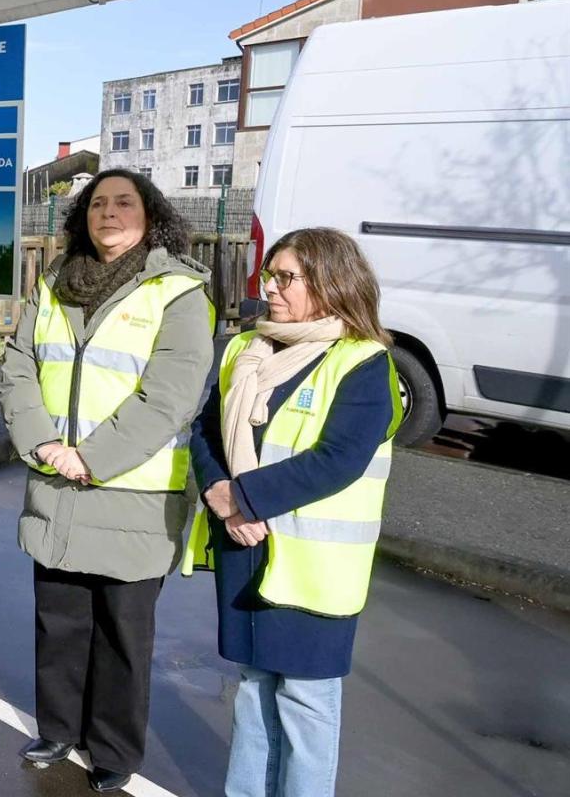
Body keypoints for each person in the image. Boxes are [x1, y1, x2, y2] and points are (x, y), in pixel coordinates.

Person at [0, 168, 215, 794]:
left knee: (122, 631)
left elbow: (170, 396)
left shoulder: (178, 292)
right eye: (98, 203)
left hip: (129, 490)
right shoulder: (53, 284)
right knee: (59, 619)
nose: (109, 212)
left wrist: (91, 458)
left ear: (151, 215)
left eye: (124, 202)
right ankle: (59, 728)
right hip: (57, 480)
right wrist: (41, 440)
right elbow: (18, 368)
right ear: (80, 216)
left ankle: (114, 749)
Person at [184, 227, 402, 797]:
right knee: (254, 690)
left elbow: (340, 460)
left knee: (306, 703)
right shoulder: (244, 349)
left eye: (287, 278)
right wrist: (216, 491)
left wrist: (243, 498)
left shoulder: (363, 362)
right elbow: (206, 431)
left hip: (313, 571)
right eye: (269, 275)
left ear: (331, 285)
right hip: (247, 551)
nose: (271, 288)